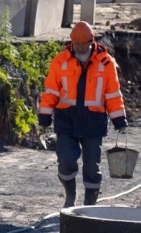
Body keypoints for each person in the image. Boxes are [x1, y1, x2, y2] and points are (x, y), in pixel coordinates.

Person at [38, 22, 128, 208]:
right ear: (71, 41)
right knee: (66, 160)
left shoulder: (106, 63)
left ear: (91, 41)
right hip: (66, 119)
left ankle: (89, 206)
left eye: (83, 44)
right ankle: (70, 196)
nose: (79, 47)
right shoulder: (60, 62)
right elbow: (51, 92)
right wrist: (45, 115)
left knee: (92, 167)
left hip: (93, 122)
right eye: (75, 43)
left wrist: (119, 118)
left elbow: (112, 94)